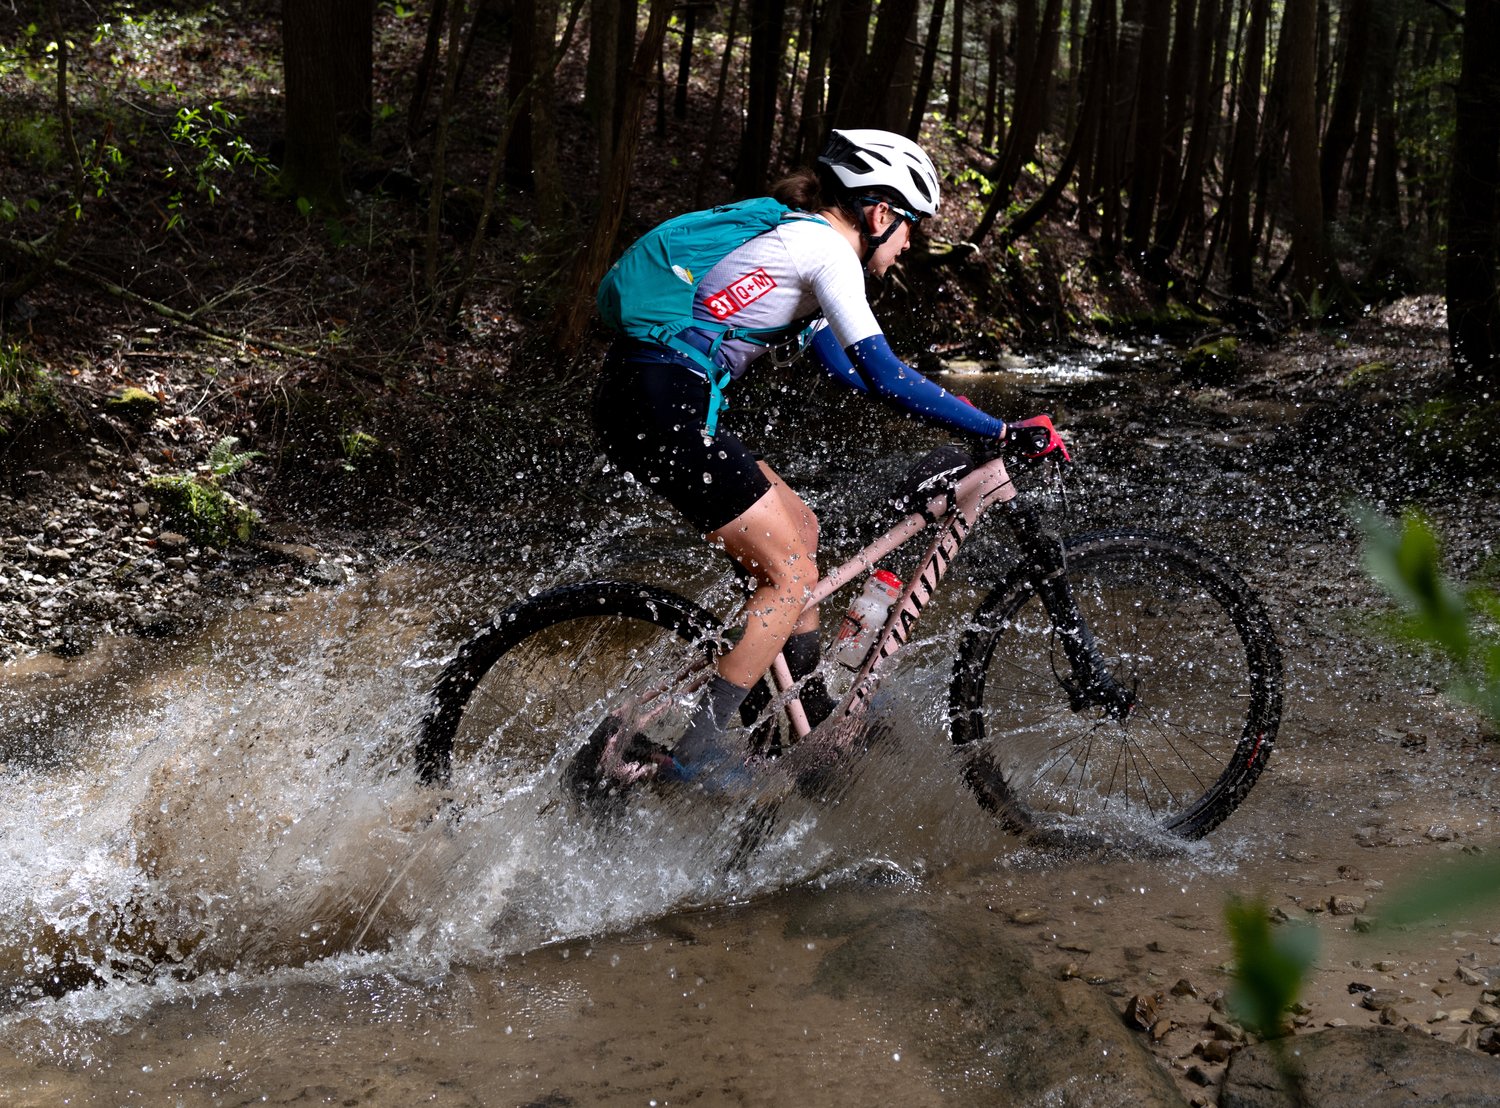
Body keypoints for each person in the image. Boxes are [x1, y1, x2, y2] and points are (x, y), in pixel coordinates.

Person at [592, 129, 1016, 783]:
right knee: (788, 576)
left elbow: (847, 371)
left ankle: (806, 714)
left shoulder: (800, 246)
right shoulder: (825, 250)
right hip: (660, 403)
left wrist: (960, 414)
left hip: (653, 396)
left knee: (803, 530)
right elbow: (884, 375)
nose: (907, 246)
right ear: (879, 214)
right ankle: (699, 752)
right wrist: (1001, 429)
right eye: (910, 229)